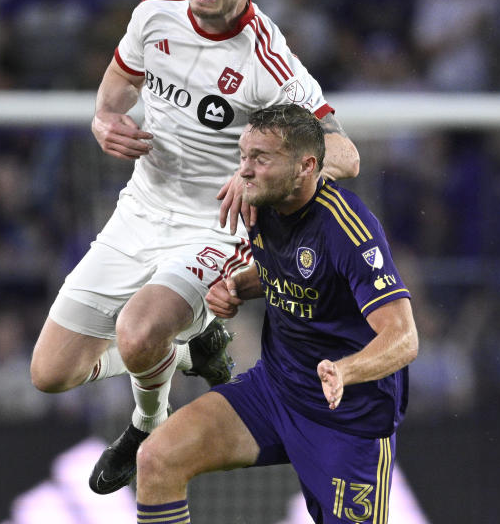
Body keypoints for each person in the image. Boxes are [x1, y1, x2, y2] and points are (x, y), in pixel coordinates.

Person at [28, 0, 360, 495]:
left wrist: (261, 175)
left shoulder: (268, 62)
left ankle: (143, 429)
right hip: (139, 209)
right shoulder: (156, 13)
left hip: (217, 226)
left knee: (137, 333)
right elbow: (118, 81)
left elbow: (344, 156)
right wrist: (104, 119)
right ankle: (190, 351)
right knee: (51, 374)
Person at [134, 104, 417, 523]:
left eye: (260, 159)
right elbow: (289, 274)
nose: (244, 171)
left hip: (347, 420)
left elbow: (404, 337)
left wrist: (345, 371)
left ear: (306, 167)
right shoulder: (260, 202)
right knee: (157, 457)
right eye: (243, 156)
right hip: (276, 391)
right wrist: (236, 287)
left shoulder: (346, 228)